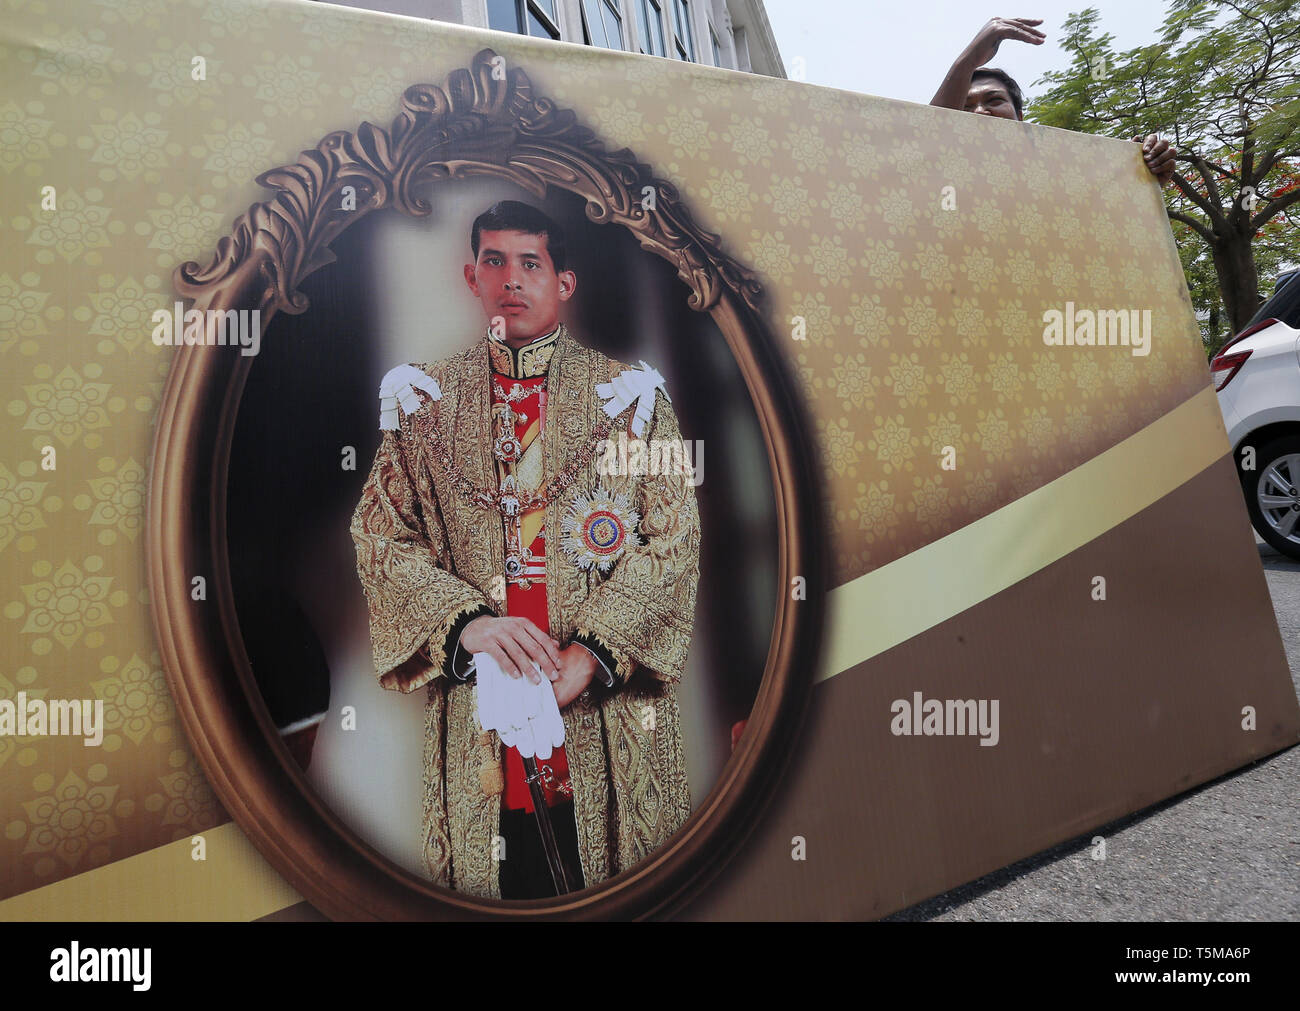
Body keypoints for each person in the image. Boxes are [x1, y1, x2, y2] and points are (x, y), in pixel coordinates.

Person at [350, 199, 700, 899]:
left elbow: (676, 537)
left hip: (603, 711)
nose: (512, 277)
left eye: (530, 263)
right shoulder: (424, 401)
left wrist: (590, 655)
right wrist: (468, 627)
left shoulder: (630, 397)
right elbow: (379, 533)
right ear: (470, 276)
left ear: (563, 282)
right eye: (494, 260)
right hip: (482, 713)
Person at [931, 16, 1177, 187]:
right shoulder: (936, 178)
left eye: (994, 100)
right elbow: (925, 135)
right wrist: (967, 60)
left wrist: (1142, 173)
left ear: (1020, 117)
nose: (980, 112)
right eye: (965, 106)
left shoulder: (1061, 174)